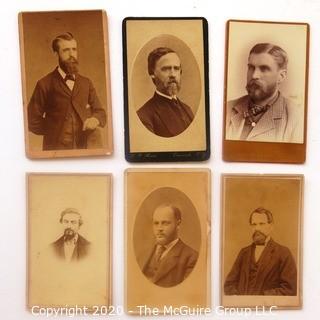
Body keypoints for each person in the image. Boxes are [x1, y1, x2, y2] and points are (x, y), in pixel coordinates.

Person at [28, 32, 106, 150]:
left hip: (85, 148)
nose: (71, 54)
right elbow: (32, 120)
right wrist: (54, 130)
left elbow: (100, 112)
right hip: (55, 149)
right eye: (66, 50)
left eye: (74, 49)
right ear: (56, 54)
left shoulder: (86, 83)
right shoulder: (44, 84)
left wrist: (94, 120)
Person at [226, 43, 302, 143]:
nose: (254, 75)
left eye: (264, 69)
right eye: (251, 67)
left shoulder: (297, 118)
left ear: (281, 76)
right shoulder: (226, 108)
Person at [224, 207, 297, 296]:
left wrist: (261, 298)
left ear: (271, 226)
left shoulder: (283, 253)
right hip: (244, 308)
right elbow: (229, 284)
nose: (257, 228)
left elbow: (290, 289)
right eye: (254, 224)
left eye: (261, 224)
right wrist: (236, 297)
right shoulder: (244, 253)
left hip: (268, 308)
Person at [137, 47, 194, 137]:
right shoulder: (144, 116)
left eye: (176, 68)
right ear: (152, 74)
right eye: (166, 69)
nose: (173, 75)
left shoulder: (188, 110)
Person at [142, 204, 198, 287]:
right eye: (156, 223)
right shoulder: (144, 252)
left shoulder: (191, 257)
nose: (159, 228)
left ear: (178, 224)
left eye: (165, 223)